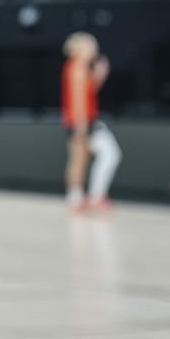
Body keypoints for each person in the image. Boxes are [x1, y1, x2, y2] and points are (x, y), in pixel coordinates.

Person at [61, 31, 123, 214]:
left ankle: (79, 198)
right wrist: (81, 125)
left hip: (82, 121)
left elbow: (88, 91)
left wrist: (99, 75)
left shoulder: (76, 67)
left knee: (80, 159)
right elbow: (78, 98)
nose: (94, 49)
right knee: (94, 156)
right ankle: (90, 197)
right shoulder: (78, 67)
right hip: (82, 122)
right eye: (91, 45)